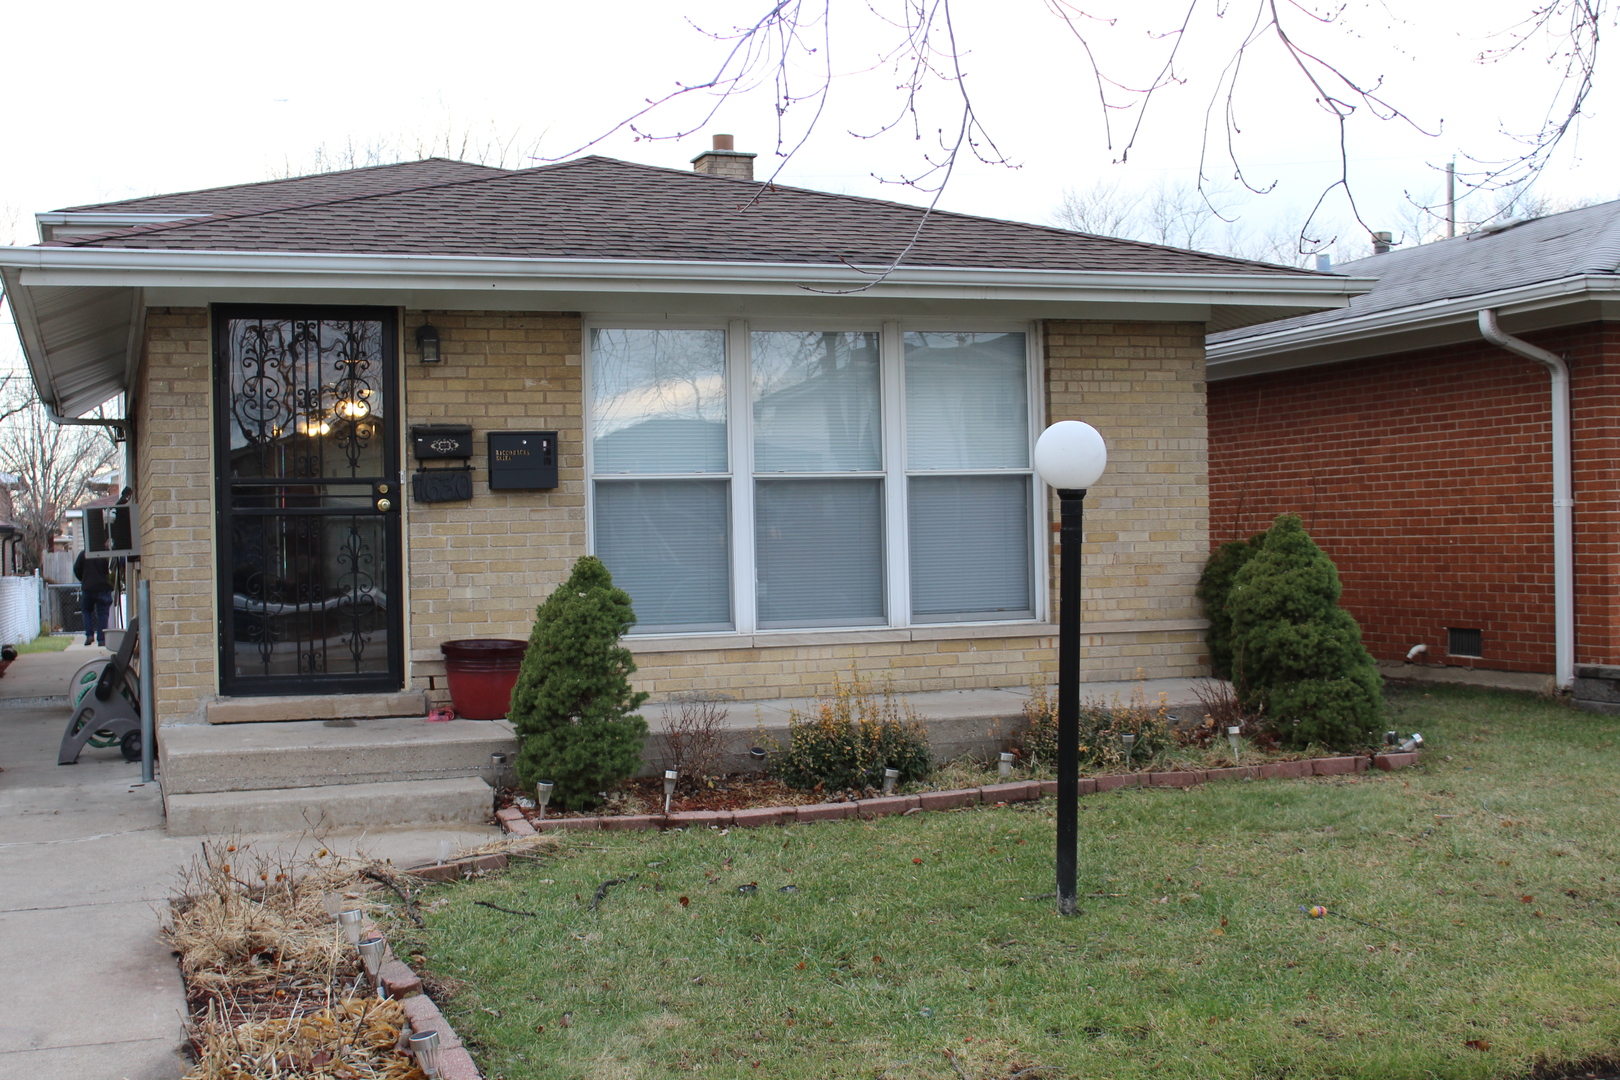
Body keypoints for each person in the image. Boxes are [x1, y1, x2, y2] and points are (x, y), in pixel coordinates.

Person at [74, 546, 114, 648]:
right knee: (103, 613)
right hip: (103, 587)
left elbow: (76, 569)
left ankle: (89, 635)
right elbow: (110, 570)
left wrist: (84, 579)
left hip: (88, 587)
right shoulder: (106, 555)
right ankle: (101, 639)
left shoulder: (84, 553)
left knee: (87, 611)